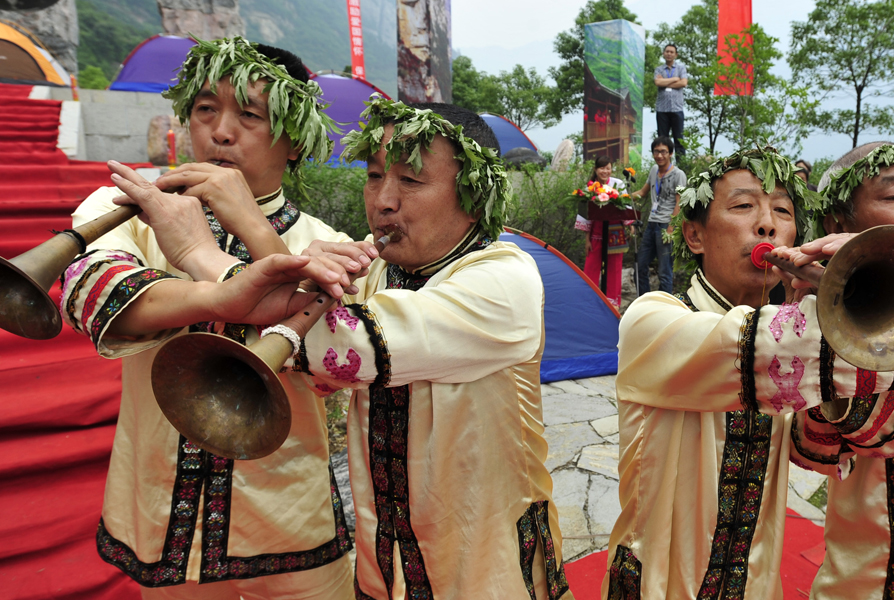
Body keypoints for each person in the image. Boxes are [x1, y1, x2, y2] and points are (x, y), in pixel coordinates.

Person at [59, 37, 361, 599]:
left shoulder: (328, 244)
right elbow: (92, 295)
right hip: (162, 511)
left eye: (249, 115)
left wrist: (251, 227)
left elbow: (334, 363)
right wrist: (225, 295)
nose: (220, 132)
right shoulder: (123, 206)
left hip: (292, 513)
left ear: (294, 141)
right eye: (205, 109)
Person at [292, 99, 573, 599]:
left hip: (483, 565)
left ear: (472, 194)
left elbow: (346, 345)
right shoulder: (377, 267)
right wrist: (305, 277)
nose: (382, 200)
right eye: (375, 176)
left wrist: (203, 252)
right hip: (387, 554)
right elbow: (319, 368)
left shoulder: (505, 279)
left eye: (411, 181)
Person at [602, 146, 894, 599]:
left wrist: (844, 287)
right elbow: (775, 345)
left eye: (782, 210)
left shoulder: (795, 329)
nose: (767, 224)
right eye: (743, 206)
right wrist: (849, 292)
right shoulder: (651, 319)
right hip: (660, 585)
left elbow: (821, 442)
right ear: (694, 236)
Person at [780, 140, 894, 600]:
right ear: (836, 224)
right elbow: (815, 448)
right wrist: (839, 304)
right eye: (893, 197)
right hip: (869, 566)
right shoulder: (813, 318)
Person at [633, 136, 685, 295]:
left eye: (663, 152)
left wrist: (670, 229)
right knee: (639, 267)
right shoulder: (654, 170)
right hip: (651, 224)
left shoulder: (678, 175)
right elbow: (642, 192)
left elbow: (680, 204)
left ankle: (665, 309)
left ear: (670, 153)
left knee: (664, 271)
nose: (659, 155)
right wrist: (618, 196)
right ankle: (645, 302)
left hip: (665, 227)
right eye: (656, 152)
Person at [575, 156, 628, 306]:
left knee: (615, 268)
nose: (605, 171)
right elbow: (586, 216)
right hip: (597, 232)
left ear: (612, 169)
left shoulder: (619, 184)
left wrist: (629, 226)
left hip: (615, 231)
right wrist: (587, 240)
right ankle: (588, 300)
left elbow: (626, 207)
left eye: (608, 168)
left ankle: (613, 302)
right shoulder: (590, 187)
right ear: (596, 170)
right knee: (591, 266)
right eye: (602, 168)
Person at [653, 44, 688, 160]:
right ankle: (664, 164)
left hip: (677, 109)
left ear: (676, 54)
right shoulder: (659, 69)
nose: (669, 54)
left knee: (679, 139)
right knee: (662, 140)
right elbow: (658, 83)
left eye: (672, 52)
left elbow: (683, 83)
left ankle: (682, 165)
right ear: (663, 53)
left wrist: (664, 81)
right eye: (667, 51)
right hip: (662, 109)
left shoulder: (681, 68)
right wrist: (674, 79)